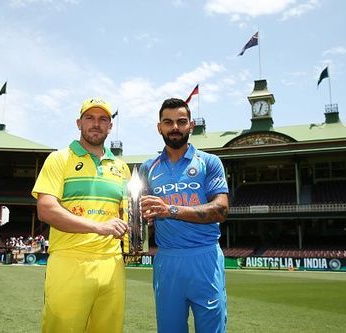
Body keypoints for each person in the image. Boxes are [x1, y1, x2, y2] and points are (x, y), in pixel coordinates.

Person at [32, 97, 131, 333]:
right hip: (69, 260)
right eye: (90, 118)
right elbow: (46, 209)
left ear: (110, 126)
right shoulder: (59, 159)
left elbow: (127, 216)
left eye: (103, 119)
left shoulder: (122, 168)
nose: (96, 124)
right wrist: (99, 227)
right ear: (79, 123)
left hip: (112, 264)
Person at [140, 98, 229, 333]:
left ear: (191, 125)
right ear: (159, 127)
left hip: (205, 258)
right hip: (167, 260)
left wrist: (170, 210)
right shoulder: (148, 168)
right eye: (168, 122)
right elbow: (145, 219)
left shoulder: (209, 162)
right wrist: (144, 219)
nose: (175, 128)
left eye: (181, 121)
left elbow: (221, 209)